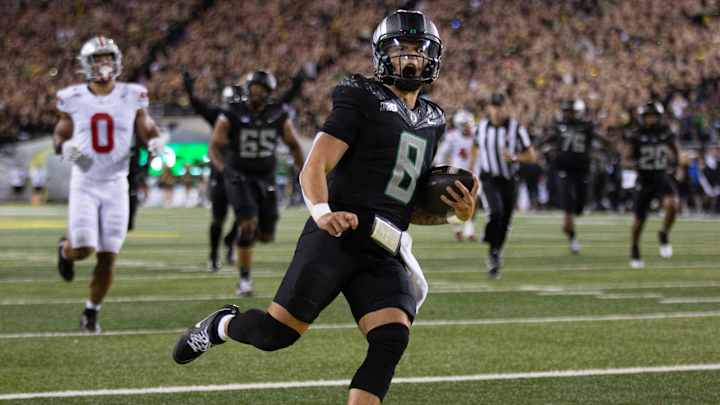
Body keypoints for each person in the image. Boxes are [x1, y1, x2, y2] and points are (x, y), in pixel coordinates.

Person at [173, 10, 477, 404]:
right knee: (275, 335)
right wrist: (322, 212)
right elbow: (314, 166)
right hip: (337, 236)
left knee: (391, 338)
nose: (409, 58)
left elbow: (407, 203)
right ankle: (220, 326)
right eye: (399, 49)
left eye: (417, 50)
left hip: (383, 246)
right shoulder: (360, 96)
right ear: (382, 54)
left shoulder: (434, 118)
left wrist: (456, 214)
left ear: (431, 57)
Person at [53, 36, 164, 333]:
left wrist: (155, 140)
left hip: (116, 182)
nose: (103, 64)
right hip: (85, 181)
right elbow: (60, 134)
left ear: (117, 62)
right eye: (97, 59)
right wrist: (65, 148)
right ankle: (66, 251)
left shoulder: (132, 94)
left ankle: (91, 311)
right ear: (86, 64)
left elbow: (146, 125)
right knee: (84, 248)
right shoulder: (72, 96)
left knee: (108, 255)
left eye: (108, 58)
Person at [208, 70, 305, 296]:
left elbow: (293, 144)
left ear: (269, 92)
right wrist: (224, 169)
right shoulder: (232, 112)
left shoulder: (277, 114)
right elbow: (214, 146)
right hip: (239, 176)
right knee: (248, 225)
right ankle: (244, 281)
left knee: (266, 235)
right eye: (255, 88)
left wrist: (303, 171)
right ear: (247, 88)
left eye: (262, 89)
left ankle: (235, 240)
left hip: (266, 177)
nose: (257, 93)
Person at [470, 93, 536, 278]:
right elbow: (475, 147)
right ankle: (492, 245)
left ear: (506, 108)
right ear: (489, 108)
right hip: (489, 178)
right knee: (496, 212)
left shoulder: (516, 129)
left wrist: (514, 157)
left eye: (500, 107)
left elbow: (532, 156)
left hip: (509, 180)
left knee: (505, 221)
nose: (497, 111)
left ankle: (495, 252)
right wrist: (471, 168)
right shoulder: (481, 127)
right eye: (494, 107)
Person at [541, 99, 615, 254]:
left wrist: (609, 145)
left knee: (581, 207)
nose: (568, 114)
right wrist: (542, 147)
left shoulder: (586, 126)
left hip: (582, 171)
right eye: (566, 111)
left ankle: (570, 223)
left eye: (571, 112)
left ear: (578, 112)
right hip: (564, 170)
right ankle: (572, 239)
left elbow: (602, 139)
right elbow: (546, 140)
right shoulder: (559, 126)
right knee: (568, 207)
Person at [182, 70, 239, 271]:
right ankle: (214, 254)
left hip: (241, 173)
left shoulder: (248, 117)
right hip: (221, 173)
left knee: (246, 215)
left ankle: (230, 242)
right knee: (218, 217)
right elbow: (199, 106)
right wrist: (190, 90)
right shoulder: (219, 116)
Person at [623, 101, 681, 268]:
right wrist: (633, 164)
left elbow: (676, 150)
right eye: (648, 116)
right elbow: (626, 158)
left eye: (654, 116)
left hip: (661, 176)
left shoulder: (665, 132)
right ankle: (635, 248)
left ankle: (664, 233)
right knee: (640, 220)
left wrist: (677, 166)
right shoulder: (636, 134)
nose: (651, 119)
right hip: (644, 178)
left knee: (673, 205)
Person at [435, 109, 478, 241]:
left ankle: (470, 230)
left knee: (474, 201)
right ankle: (457, 229)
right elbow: (441, 155)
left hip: (474, 173)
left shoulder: (477, 135)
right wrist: (443, 170)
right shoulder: (452, 136)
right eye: (465, 124)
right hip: (457, 175)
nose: (468, 126)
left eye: (469, 123)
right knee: (454, 203)